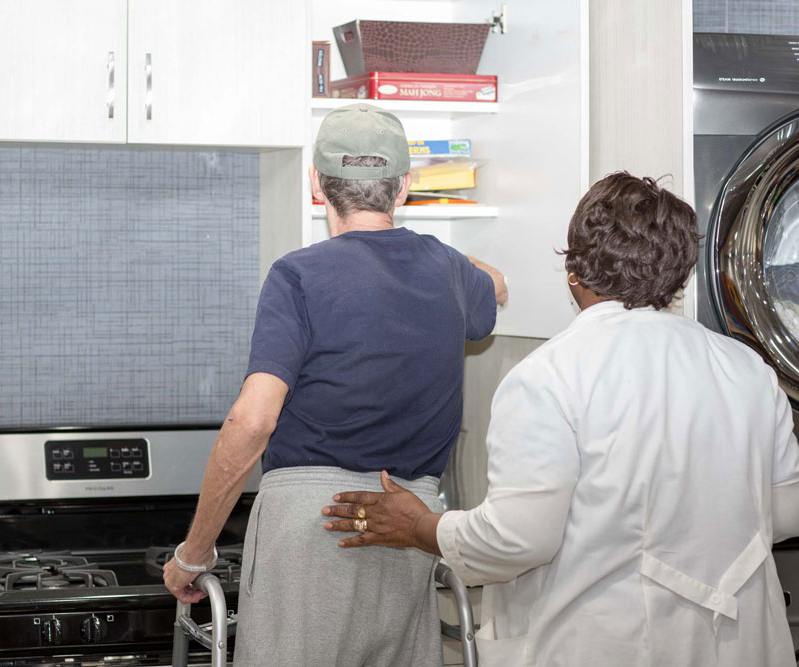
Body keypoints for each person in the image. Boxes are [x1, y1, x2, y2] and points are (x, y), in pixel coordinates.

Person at [323, 171, 799, 667]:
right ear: (679, 274)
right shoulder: (747, 368)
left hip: (612, 645)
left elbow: (515, 539)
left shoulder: (549, 376)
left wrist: (421, 526)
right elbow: (786, 510)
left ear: (574, 271)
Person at [162, 103, 508, 666]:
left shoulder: (297, 275)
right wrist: (426, 253)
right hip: (409, 525)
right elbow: (496, 285)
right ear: (405, 189)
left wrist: (194, 554)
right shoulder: (447, 271)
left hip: (308, 530)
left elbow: (252, 421)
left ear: (317, 185)